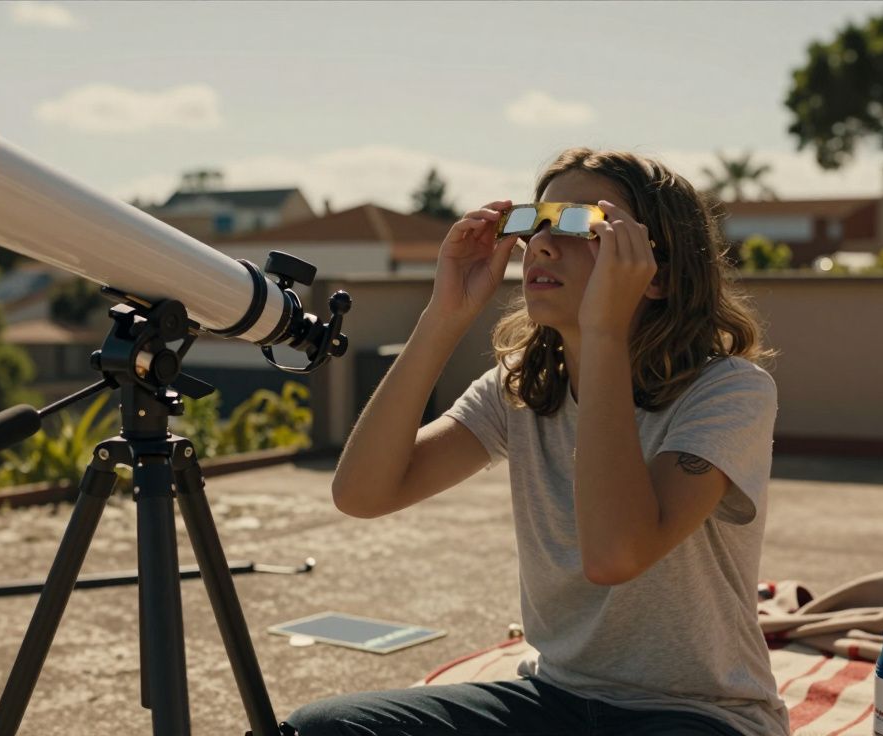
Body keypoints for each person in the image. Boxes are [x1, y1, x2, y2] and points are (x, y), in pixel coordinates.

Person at [282, 148, 790, 736]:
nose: (544, 245)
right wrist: (445, 315)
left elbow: (615, 555)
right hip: (555, 700)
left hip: (699, 715)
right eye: (537, 222)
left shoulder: (729, 391)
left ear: (662, 273)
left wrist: (602, 331)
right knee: (321, 729)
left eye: (582, 224)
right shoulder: (522, 387)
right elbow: (363, 493)